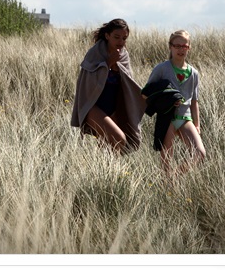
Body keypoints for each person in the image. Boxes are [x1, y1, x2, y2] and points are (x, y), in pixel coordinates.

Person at [71, 19, 146, 153]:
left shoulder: (123, 56)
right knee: (119, 138)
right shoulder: (95, 53)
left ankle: (106, 173)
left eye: (124, 38)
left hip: (114, 107)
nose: (120, 42)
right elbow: (88, 82)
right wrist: (108, 63)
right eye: (116, 37)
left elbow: (128, 83)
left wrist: (118, 69)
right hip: (92, 106)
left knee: (107, 147)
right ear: (107, 36)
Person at [144, 30, 205, 175]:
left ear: (189, 48)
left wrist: (197, 124)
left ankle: (175, 178)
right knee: (166, 159)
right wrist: (164, 101)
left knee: (200, 153)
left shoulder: (193, 73)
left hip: (185, 117)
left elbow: (194, 101)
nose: (180, 49)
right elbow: (146, 92)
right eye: (177, 46)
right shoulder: (161, 69)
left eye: (184, 46)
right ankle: (167, 185)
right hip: (167, 116)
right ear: (170, 47)